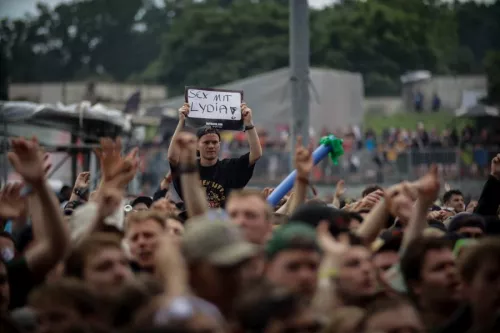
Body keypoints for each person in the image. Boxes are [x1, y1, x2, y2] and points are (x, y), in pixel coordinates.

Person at [167, 103, 262, 208]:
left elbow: (256, 154)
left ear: (219, 145)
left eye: (215, 142)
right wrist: (181, 122)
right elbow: (172, 157)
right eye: (206, 142)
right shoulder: (190, 169)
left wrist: (248, 123)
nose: (211, 146)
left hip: (223, 222)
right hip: (193, 221)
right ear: (197, 146)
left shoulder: (230, 167)